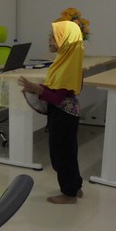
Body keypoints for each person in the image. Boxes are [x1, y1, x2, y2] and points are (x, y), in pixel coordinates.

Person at [18, 20, 84, 204]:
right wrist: (37, 88)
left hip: (63, 115)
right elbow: (55, 89)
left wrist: (36, 89)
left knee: (61, 155)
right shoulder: (67, 60)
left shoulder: (66, 67)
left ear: (66, 41)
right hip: (67, 114)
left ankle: (69, 194)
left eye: (54, 37)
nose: (49, 40)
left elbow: (57, 98)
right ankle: (75, 186)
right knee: (69, 152)